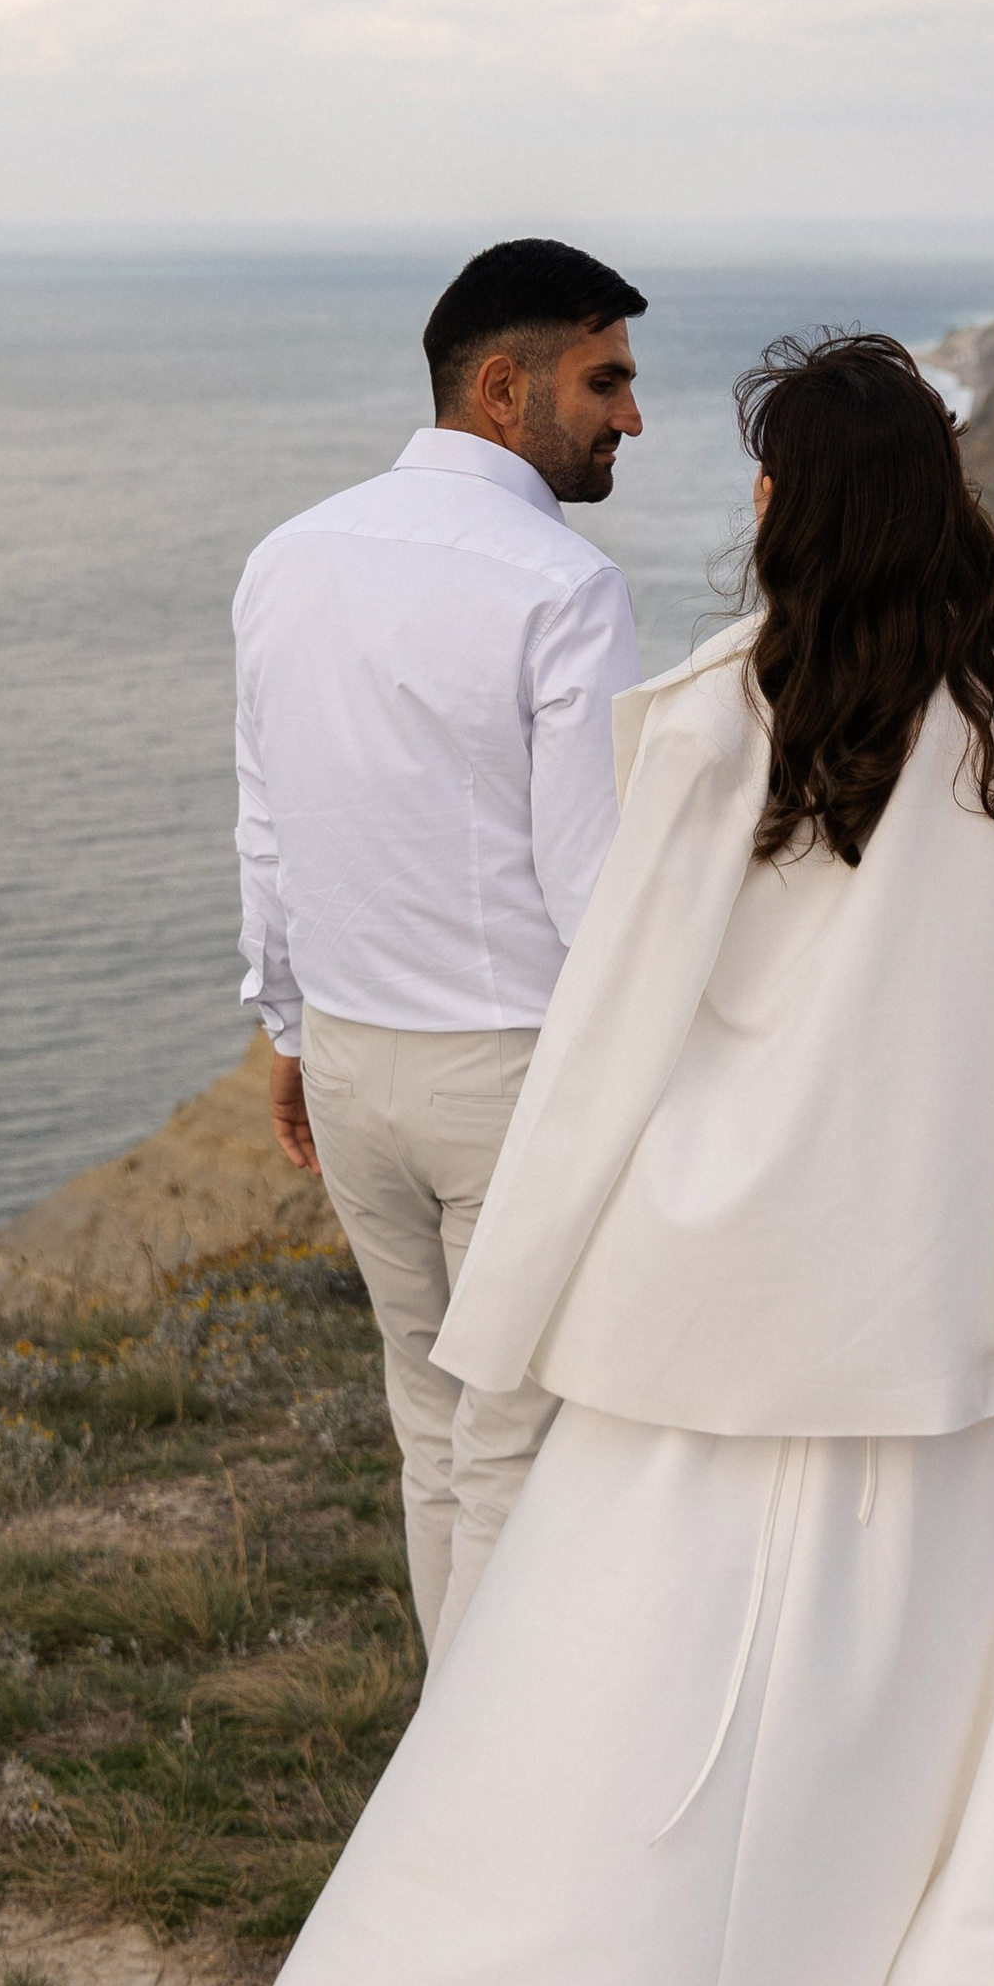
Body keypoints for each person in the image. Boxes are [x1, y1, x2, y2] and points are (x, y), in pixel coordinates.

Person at [150, 332, 994, 1986]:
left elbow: (621, 1022)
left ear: (775, 505)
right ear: (940, 497)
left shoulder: (713, 715)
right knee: (906, 1774)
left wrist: (533, 1278)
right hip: (947, 1330)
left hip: (713, 1317)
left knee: (620, 1736)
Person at [233, 236, 647, 1656]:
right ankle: (482, 1818)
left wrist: (286, 1035)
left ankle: (446, 1783)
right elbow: (593, 886)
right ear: (497, 387)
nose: (631, 418)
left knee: (431, 1429)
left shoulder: (287, 558)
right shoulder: (565, 587)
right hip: (512, 1082)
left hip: (351, 1070)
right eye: (607, 381)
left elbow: (267, 827)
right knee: (518, 1448)